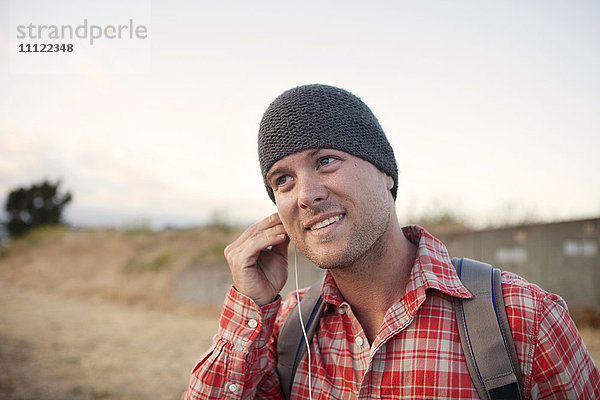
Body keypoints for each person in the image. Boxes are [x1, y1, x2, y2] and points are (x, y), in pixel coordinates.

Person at [182, 84, 600, 399]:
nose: (306, 194)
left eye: (326, 161)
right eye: (283, 180)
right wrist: (250, 306)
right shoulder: (284, 328)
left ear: (386, 173)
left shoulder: (525, 319)